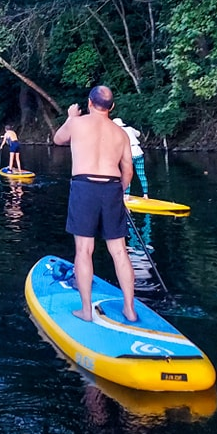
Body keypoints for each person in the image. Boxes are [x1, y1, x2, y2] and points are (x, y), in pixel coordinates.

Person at [53, 85, 136, 323]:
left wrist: (70, 117)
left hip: (84, 187)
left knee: (84, 250)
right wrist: (118, 191)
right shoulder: (121, 134)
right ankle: (129, 309)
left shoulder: (77, 123)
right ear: (112, 107)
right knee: (119, 251)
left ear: (90, 103)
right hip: (111, 187)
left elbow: (58, 139)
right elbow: (127, 170)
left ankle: (87, 311)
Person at [113, 118, 149, 197]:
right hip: (138, 152)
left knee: (127, 174)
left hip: (128, 154)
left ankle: (126, 195)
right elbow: (138, 134)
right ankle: (146, 195)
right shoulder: (129, 129)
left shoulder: (117, 132)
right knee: (141, 174)